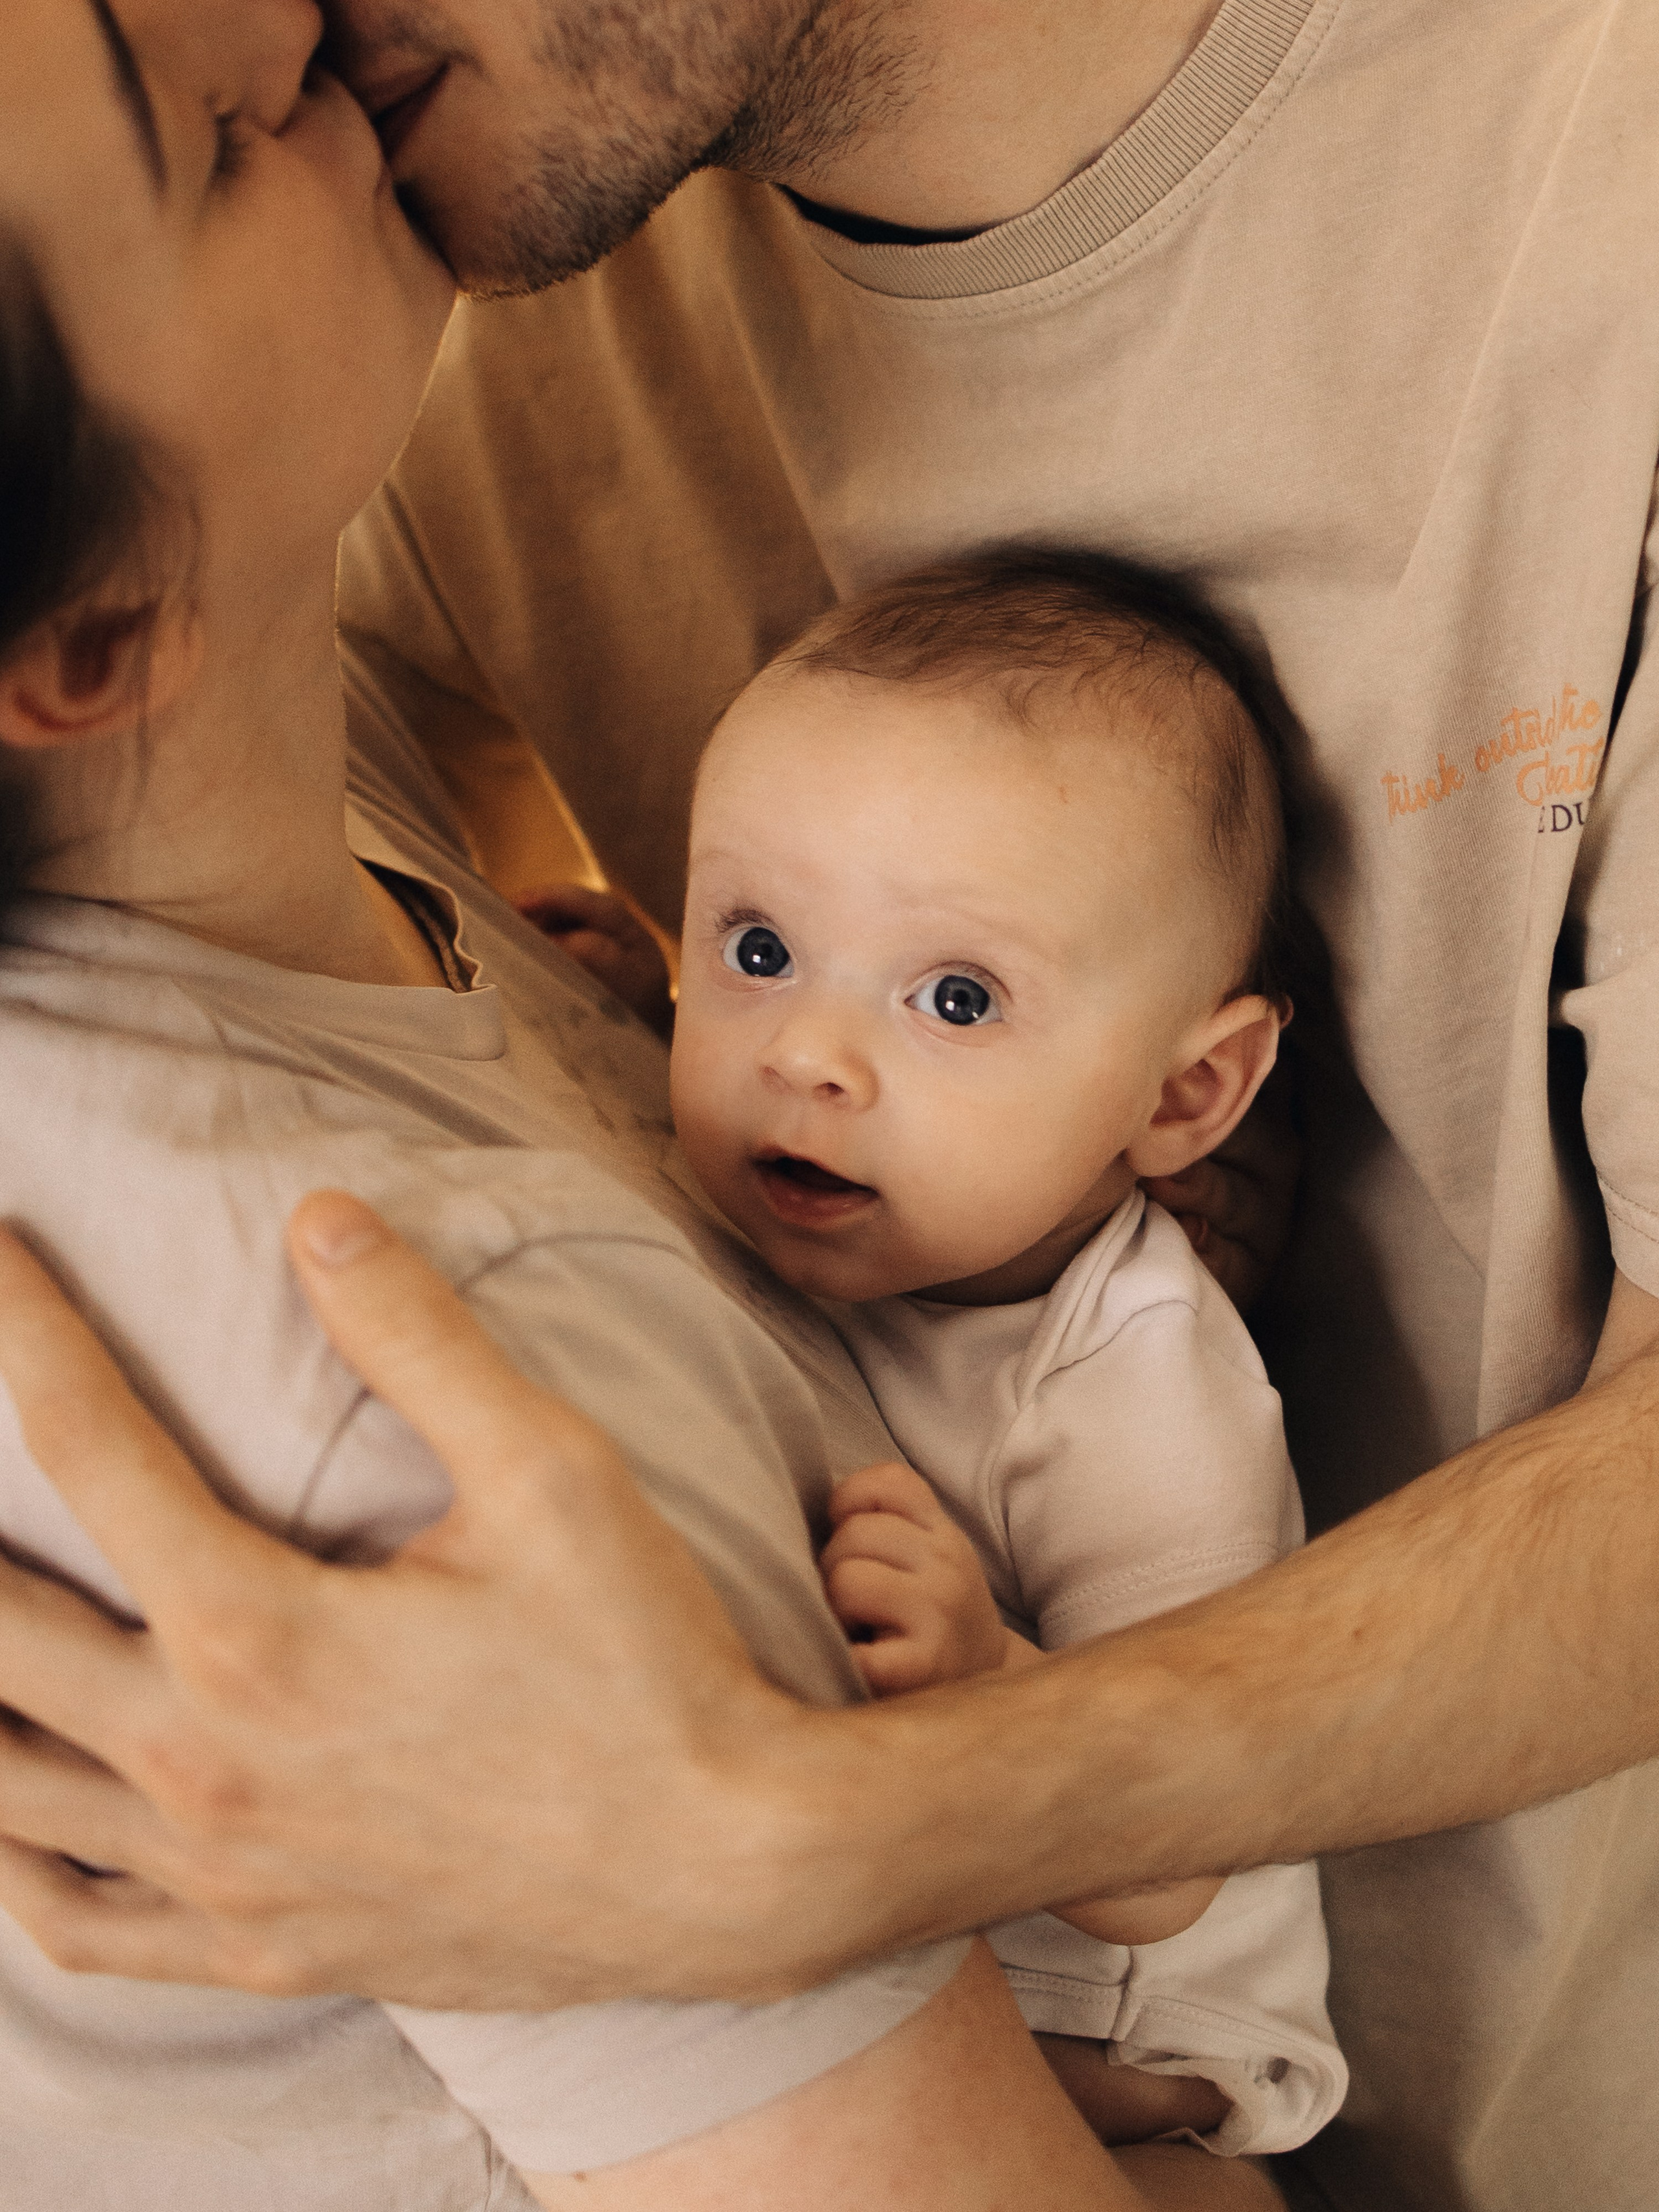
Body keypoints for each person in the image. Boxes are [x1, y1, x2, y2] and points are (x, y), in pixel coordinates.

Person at [1, 3, 1658, 2209]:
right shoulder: (469, 235)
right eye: (202, 129)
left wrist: (815, 1828)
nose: (268, 23)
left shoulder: (1588, 218)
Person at [662, 548, 1347, 2160]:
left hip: (1128, 2018)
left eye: (953, 997)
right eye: (755, 949)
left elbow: (1173, 1841)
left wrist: (989, 1677)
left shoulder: (1135, 1389)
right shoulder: (835, 1177)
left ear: (1181, 1099)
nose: (807, 1059)